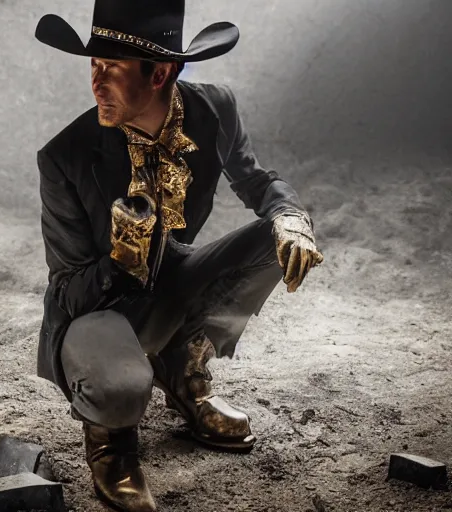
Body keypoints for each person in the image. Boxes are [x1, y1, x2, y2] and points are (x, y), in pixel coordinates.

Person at [33, 1, 324, 510]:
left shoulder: (214, 110)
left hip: (173, 276)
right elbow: (67, 290)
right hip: (99, 310)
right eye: (94, 67)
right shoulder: (65, 156)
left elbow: (256, 180)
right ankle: (112, 444)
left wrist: (291, 218)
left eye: (113, 69)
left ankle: (184, 370)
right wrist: (121, 258)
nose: (96, 83)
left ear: (161, 72)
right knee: (124, 388)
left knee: (273, 239)